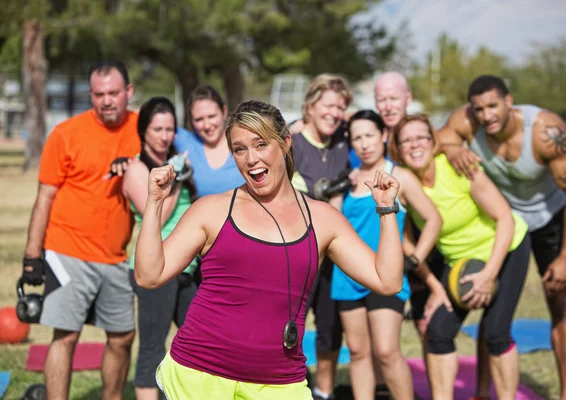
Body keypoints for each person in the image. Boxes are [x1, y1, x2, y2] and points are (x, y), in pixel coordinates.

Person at [134, 99, 406, 400]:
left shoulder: (322, 218)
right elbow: (149, 276)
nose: (251, 159)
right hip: (201, 374)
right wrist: (154, 203)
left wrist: (387, 210)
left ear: (286, 142)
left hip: (280, 382)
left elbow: (388, 281)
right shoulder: (211, 210)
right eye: (239, 149)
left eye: (261, 144)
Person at [436, 75, 566, 400]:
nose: (486, 115)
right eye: (479, 109)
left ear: (509, 101)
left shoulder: (545, 131)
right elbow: (432, 141)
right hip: (506, 220)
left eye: (493, 106)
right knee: (493, 311)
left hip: (549, 219)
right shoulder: (466, 120)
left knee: (559, 302)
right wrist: (451, 148)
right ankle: (480, 392)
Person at [389, 114, 531, 400]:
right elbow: (407, 241)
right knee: (438, 330)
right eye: (406, 141)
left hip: (506, 248)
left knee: (496, 332)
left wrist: (489, 276)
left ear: (433, 141)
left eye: (421, 138)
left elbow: (505, 218)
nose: (414, 145)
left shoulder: (458, 168)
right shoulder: (401, 181)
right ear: (397, 148)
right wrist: (436, 286)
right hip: (459, 263)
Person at [21, 59, 139, 400]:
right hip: (66, 249)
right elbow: (45, 197)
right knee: (66, 335)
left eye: (114, 93)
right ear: (91, 94)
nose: (106, 101)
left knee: (122, 337)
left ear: (128, 92)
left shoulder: (142, 127)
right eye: (99, 94)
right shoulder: (66, 134)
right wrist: (32, 256)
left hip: (116, 255)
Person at [329, 110, 442, 400]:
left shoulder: (398, 175)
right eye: (357, 138)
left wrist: (414, 260)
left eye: (369, 135)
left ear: (383, 135)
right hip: (347, 277)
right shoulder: (348, 179)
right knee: (357, 352)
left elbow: (433, 219)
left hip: (386, 275)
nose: (364, 143)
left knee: (386, 351)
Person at [121, 97, 198, 400]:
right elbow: (158, 215)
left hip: (185, 267)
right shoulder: (136, 170)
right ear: (144, 132)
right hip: (153, 266)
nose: (164, 136)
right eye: (157, 129)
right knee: (153, 345)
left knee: (198, 339)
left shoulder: (178, 162)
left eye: (169, 129)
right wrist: (176, 178)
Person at [290, 74, 353, 400]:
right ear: (310, 107)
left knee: (330, 329)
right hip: (297, 252)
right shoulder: (292, 143)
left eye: (341, 107)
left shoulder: (345, 140)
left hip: (335, 255)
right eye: (328, 105)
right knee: (290, 328)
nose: (335, 112)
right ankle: (290, 388)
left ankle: (324, 392)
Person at [175, 84, 245, 197]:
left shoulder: (243, 142)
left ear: (224, 111)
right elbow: (150, 119)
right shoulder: (185, 142)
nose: (207, 125)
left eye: (212, 116)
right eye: (199, 119)